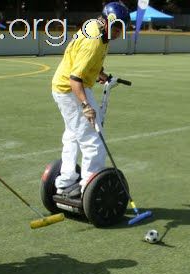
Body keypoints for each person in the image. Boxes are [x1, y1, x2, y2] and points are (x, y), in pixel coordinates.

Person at [50, 1, 130, 197]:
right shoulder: (93, 42)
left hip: (63, 86)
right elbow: (75, 79)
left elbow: (81, 60)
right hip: (72, 89)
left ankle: (65, 182)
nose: (120, 32)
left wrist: (99, 74)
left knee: (72, 135)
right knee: (93, 140)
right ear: (108, 22)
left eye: (123, 28)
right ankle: (89, 187)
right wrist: (86, 106)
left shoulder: (96, 29)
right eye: (118, 27)